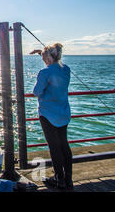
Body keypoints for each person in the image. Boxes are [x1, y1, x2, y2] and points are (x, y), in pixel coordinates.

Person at [31, 43, 73, 190]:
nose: (44, 61)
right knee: (64, 145)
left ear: (49, 57)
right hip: (63, 112)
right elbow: (54, 67)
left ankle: (59, 180)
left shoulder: (45, 72)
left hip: (48, 115)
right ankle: (68, 180)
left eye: (44, 58)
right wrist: (42, 53)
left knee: (54, 148)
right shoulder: (66, 69)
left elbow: (36, 91)